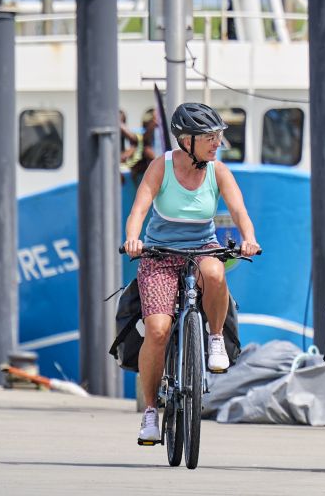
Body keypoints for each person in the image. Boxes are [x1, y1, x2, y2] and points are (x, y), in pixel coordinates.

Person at [123, 102, 260, 444]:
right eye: (210, 137)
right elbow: (139, 208)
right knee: (157, 330)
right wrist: (133, 239)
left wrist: (249, 239)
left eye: (218, 137)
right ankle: (152, 412)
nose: (217, 143)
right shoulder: (161, 167)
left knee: (214, 274)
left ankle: (214, 339)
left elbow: (239, 209)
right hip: (159, 254)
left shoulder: (218, 171)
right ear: (187, 140)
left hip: (202, 249)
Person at [130, 108, 158, 185]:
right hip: (139, 170)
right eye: (154, 118)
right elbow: (139, 140)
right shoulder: (139, 132)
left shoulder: (159, 133)